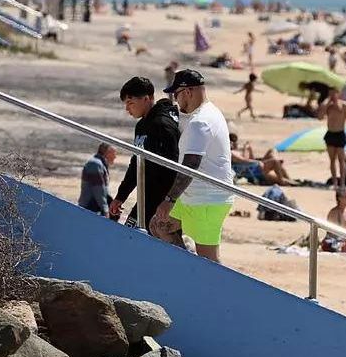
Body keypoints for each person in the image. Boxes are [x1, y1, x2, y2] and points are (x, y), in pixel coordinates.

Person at [152, 70, 234, 262]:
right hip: (194, 195)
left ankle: (217, 289)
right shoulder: (207, 112)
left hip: (209, 199)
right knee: (159, 225)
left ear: (187, 92)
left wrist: (169, 199)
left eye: (176, 95)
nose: (175, 100)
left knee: (209, 260)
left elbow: (191, 165)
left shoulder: (201, 122)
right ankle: (185, 267)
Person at [110, 77, 181, 232]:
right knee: (130, 235)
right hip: (146, 196)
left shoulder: (163, 125)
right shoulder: (142, 126)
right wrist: (121, 196)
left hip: (163, 201)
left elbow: (172, 168)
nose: (127, 109)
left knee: (134, 237)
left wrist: (168, 201)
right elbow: (136, 163)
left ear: (146, 99)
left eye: (130, 103)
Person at [318, 87, 346, 186]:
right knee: (332, 160)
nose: (333, 96)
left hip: (340, 133)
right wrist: (327, 101)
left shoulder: (344, 106)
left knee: (341, 159)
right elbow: (320, 116)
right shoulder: (328, 106)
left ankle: (342, 182)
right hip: (330, 133)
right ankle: (335, 182)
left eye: (335, 93)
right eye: (331, 93)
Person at [78, 144, 115, 215]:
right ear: (107, 153)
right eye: (113, 154)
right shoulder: (95, 164)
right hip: (89, 209)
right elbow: (98, 189)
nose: (115, 157)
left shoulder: (100, 164)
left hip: (94, 208)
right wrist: (105, 209)